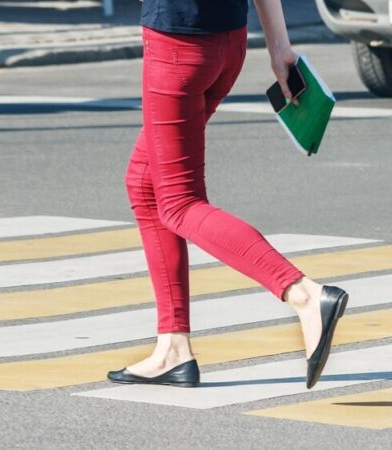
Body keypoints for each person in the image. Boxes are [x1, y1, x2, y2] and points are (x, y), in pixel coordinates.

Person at [107, 0, 348, 389]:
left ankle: (304, 293)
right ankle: (173, 347)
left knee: (179, 203)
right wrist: (278, 47)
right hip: (227, 45)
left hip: (177, 44)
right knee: (144, 183)